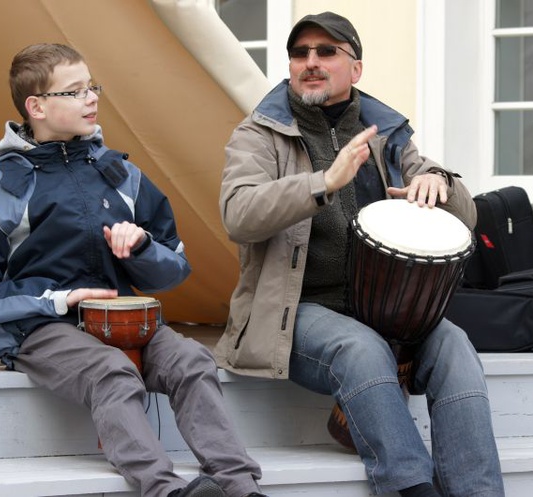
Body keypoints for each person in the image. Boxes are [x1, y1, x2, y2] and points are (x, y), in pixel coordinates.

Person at [0, 43, 266, 497]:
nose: (92, 99)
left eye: (92, 86)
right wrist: (60, 299)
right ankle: (164, 490)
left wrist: (140, 249)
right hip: (39, 330)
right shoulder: (2, 188)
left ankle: (240, 487)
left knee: (193, 361)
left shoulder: (121, 173)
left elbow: (175, 267)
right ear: (36, 106)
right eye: (75, 91)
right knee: (112, 371)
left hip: (121, 321)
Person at [216, 12, 505, 497]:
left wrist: (441, 182)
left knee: (454, 345)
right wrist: (321, 184)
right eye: (300, 53)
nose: (311, 62)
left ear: (356, 69)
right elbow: (238, 213)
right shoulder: (259, 135)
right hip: (294, 314)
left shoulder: (388, 132)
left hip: (384, 312)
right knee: (360, 349)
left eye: (326, 52)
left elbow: (465, 213)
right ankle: (413, 489)